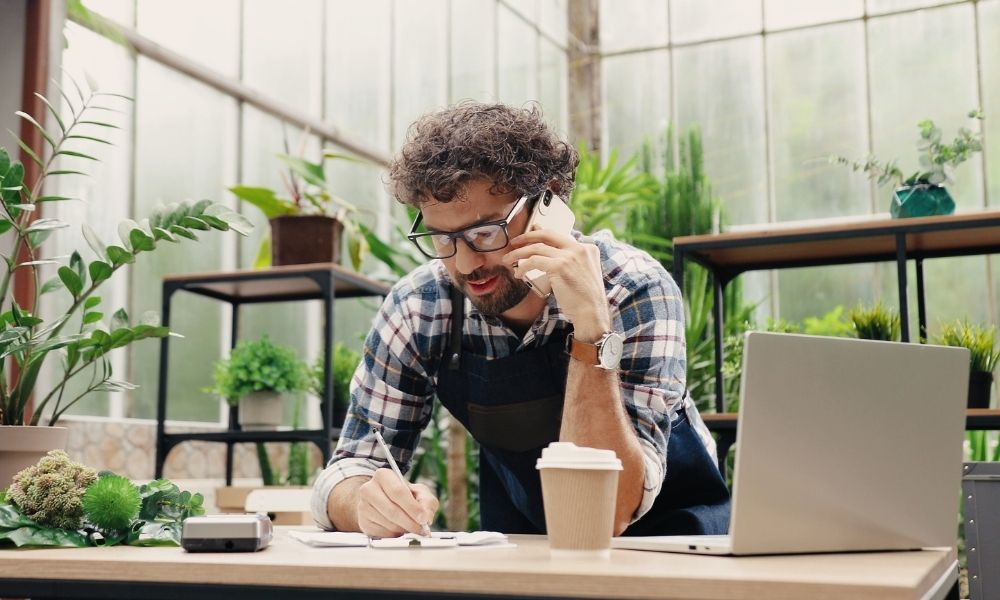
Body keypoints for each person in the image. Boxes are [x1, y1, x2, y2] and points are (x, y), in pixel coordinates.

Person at [310, 102, 730, 537]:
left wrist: (592, 331)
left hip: (672, 547)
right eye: (442, 237)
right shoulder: (422, 306)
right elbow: (352, 465)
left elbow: (607, 514)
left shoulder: (632, 288)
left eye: (486, 231)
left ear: (547, 200)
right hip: (527, 544)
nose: (468, 262)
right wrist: (365, 503)